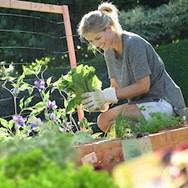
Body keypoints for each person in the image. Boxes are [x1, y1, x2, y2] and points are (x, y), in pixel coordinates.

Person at [77, 2, 186, 133]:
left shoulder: (133, 44)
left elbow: (143, 86)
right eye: (91, 41)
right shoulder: (109, 52)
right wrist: (101, 102)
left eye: (97, 38)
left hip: (164, 104)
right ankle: (140, 144)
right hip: (141, 107)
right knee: (103, 120)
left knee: (110, 119)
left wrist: (107, 95)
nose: (95, 44)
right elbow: (116, 88)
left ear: (109, 28)